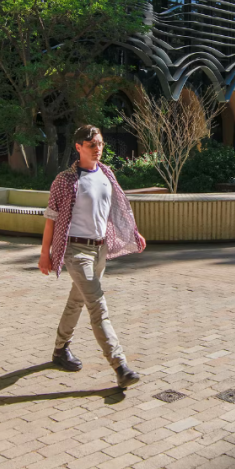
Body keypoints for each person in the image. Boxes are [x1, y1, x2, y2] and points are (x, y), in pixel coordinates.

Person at [40, 125, 146, 388]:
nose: (98, 149)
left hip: (100, 249)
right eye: (91, 145)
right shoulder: (64, 180)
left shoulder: (106, 174)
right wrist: (45, 254)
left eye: (100, 144)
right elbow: (51, 220)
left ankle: (60, 349)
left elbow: (118, 207)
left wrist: (134, 232)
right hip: (76, 252)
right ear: (78, 147)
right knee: (98, 307)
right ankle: (120, 365)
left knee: (76, 301)